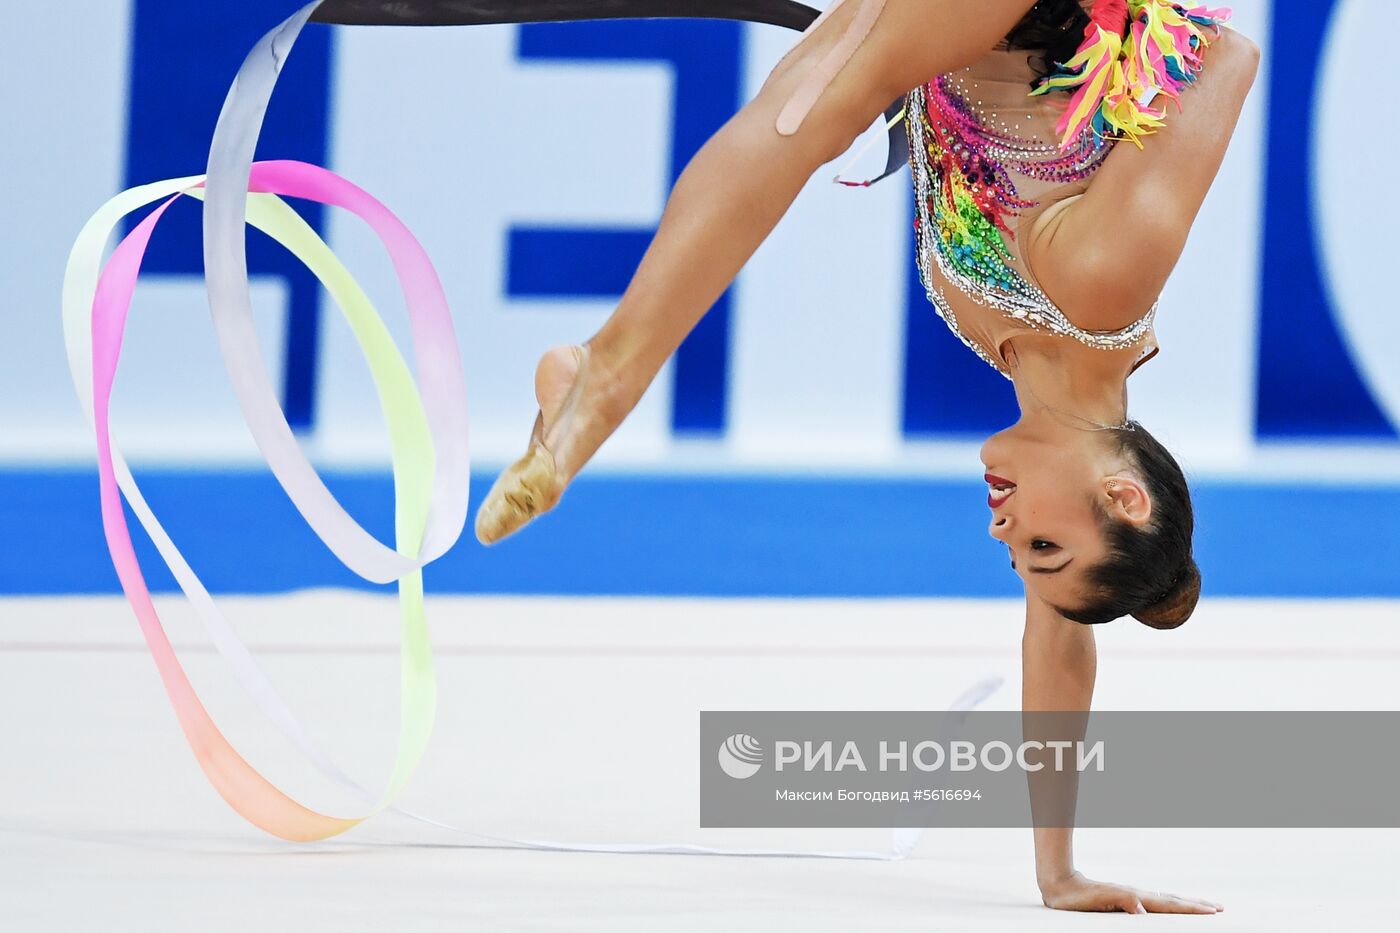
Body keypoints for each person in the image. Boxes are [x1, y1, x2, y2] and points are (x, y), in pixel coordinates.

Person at [475, 0, 1258, 913]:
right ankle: (605, 377)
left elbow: (1061, 643)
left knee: (807, 101)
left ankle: (602, 373)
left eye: (1016, 555)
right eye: (1040, 545)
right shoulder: (1103, 282)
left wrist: (1058, 872)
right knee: (821, 106)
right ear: (1125, 496)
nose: (1004, 530)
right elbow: (1226, 55)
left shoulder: (1031, 352)